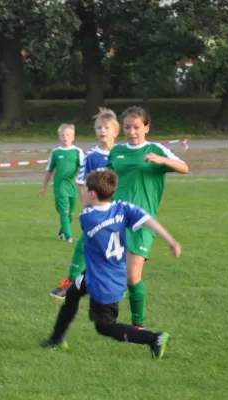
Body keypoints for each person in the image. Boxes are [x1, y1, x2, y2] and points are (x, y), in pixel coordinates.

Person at [40, 170, 181, 359]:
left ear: (92, 194)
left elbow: (92, 211)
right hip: (100, 272)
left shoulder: (88, 217)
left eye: (84, 189)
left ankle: (153, 338)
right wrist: (171, 241)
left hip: (103, 279)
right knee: (72, 293)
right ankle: (57, 338)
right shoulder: (123, 208)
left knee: (105, 326)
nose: (81, 192)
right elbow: (148, 220)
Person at [108, 106, 190, 329]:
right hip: (115, 220)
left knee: (133, 277)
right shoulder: (116, 152)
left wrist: (161, 161)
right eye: (127, 127)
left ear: (146, 127)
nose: (132, 132)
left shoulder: (156, 149)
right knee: (112, 273)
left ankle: (138, 325)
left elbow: (185, 168)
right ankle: (113, 317)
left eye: (136, 127)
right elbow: (107, 181)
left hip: (143, 222)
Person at [49, 108, 119, 299]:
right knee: (84, 245)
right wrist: (88, 208)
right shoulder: (91, 156)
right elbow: (81, 183)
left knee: (114, 252)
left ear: (115, 131)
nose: (102, 131)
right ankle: (70, 283)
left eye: (106, 127)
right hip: (98, 210)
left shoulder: (122, 154)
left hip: (120, 212)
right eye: (98, 127)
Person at [37, 124, 84, 243]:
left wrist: (79, 178)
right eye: (62, 135)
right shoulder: (56, 152)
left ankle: (61, 232)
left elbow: (83, 168)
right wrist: (44, 187)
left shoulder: (77, 151)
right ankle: (69, 236)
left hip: (72, 186)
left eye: (68, 135)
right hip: (60, 186)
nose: (65, 137)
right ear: (59, 137)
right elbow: (49, 170)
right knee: (64, 210)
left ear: (73, 137)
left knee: (71, 213)